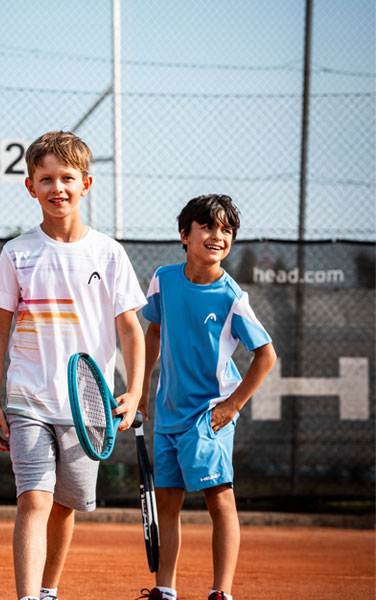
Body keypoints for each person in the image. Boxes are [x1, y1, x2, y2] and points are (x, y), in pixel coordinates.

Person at [0, 131, 146, 600]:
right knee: (34, 499)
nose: (58, 188)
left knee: (65, 505)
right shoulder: (17, 252)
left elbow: (130, 330)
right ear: (31, 186)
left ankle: (48, 590)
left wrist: (134, 391)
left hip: (87, 408)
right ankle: (28, 598)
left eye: (67, 178)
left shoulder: (109, 253)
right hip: (27, 400)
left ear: (86, 184)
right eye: (46, 179)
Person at [137, 194, 277, 600]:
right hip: (168, 413)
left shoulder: (231, 296)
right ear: (185, 234)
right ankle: (165, 589)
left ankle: (221, 593)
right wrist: (141, 388)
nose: (218, 236)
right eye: (209, 227)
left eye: (227, 230)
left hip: (208, 414)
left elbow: (266, 355)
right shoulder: (163, 279)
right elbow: (153, 331)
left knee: (219, 500)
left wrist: (232, 406)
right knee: (167, 502)